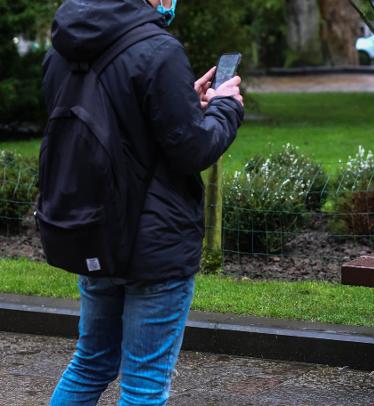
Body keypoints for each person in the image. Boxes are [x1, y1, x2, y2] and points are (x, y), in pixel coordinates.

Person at [44, 0, 244, 404]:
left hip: (92, 229)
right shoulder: (159, 48)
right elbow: (194, 150)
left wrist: (183, 103)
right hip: (154, 242)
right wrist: (225, 107)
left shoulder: (62, 48)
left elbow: (116, 122)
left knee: (90, 363)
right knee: (144, 384)